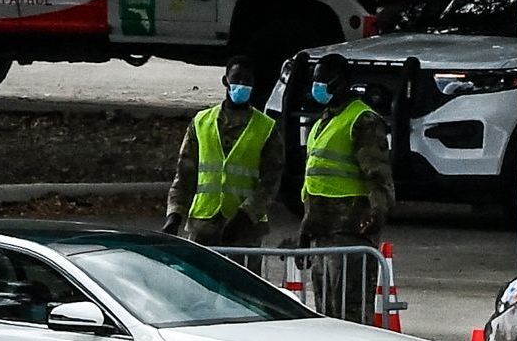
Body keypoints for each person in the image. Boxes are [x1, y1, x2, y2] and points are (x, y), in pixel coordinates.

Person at [164, 74, 279, 245]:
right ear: (226, 81)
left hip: (245, 230)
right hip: (203, 225)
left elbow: (271, 182)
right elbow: (184, 175)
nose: (242, 85)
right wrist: (174, 215)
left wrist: (245, 215)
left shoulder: (266, 128)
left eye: (247, 81)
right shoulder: (201, 122)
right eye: (237, 80)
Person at [294, 58, 393, 251]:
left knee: (348, 280)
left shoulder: (363, 120)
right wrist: (306, 228)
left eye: (323, 81)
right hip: (321, 230)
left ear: (341, 82)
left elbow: (378, 175)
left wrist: (377, 213)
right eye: (315, 80)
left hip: (350, 229)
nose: (317, 87)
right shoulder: (324, 121)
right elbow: (314, 183)